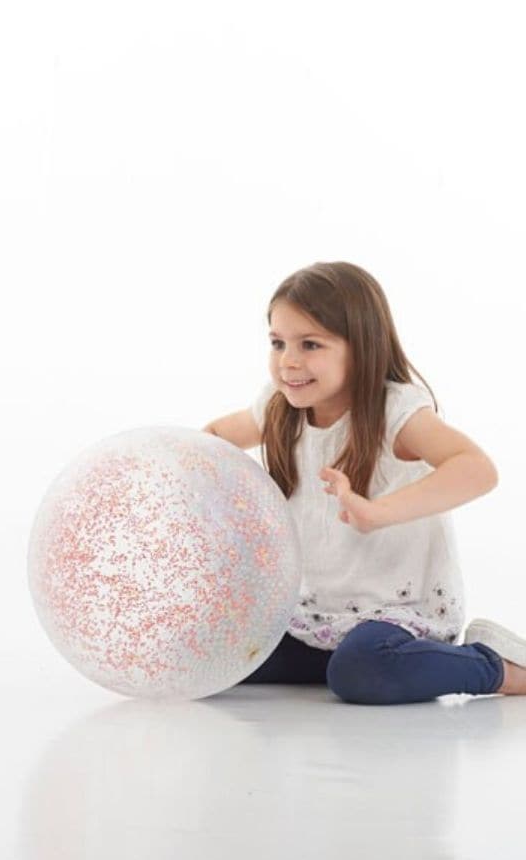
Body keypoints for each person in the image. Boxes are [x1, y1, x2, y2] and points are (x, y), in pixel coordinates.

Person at [203, 261, 526, 704]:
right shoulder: (279, 407)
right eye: (278, 343)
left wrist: (379, 513)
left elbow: (476, 468)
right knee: (220, 653)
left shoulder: (396, 411)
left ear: (361, 348)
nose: (288, 362)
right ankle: (338, 661)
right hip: (316, 613)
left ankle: (496, 666)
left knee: (363, 672)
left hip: (397, 611)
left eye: (310, 344)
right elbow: (216, 438)